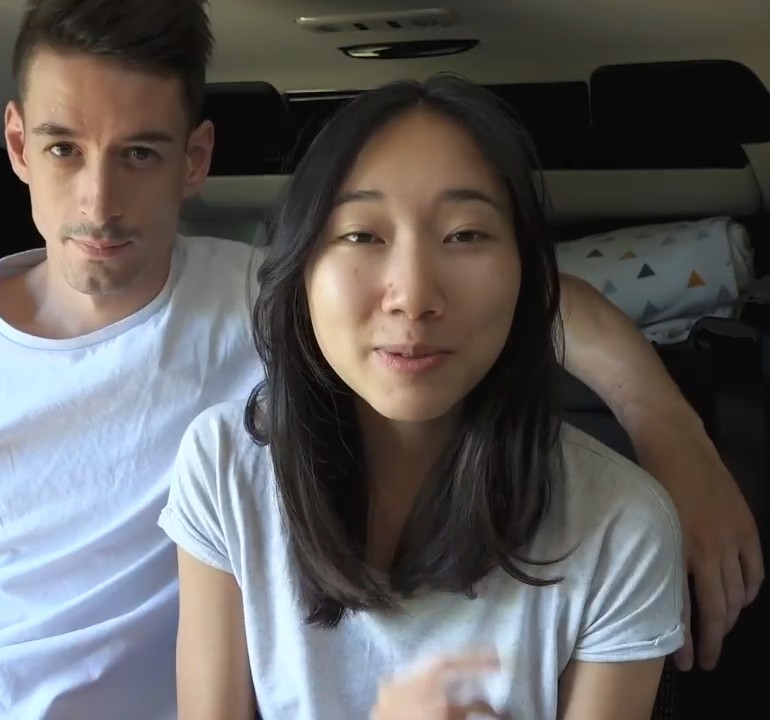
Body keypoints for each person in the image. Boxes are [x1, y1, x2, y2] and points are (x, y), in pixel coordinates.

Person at [0, 0, 759, 718]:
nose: (97, 202)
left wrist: (674, 440)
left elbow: (522, 302)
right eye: (64, 148)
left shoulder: (273, 299)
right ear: (17, 145)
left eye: (139, 153)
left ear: (196, 160)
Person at [161, 73, 685, 720]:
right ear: (303, 270)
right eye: (362, 235)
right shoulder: (225, 467)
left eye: (465, 235)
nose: (412, 296)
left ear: (525, 274)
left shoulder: (622, 525)